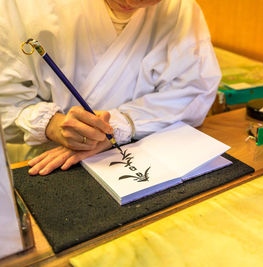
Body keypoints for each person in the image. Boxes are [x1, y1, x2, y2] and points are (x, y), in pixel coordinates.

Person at [0, 0, 220, 175]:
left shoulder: (180, 9)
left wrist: (119, 125)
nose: (131, 2)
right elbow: (6, 101)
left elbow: (192, 92)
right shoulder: (20, 6)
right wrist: (51, 125)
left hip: (138, 150)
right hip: (46, 160)